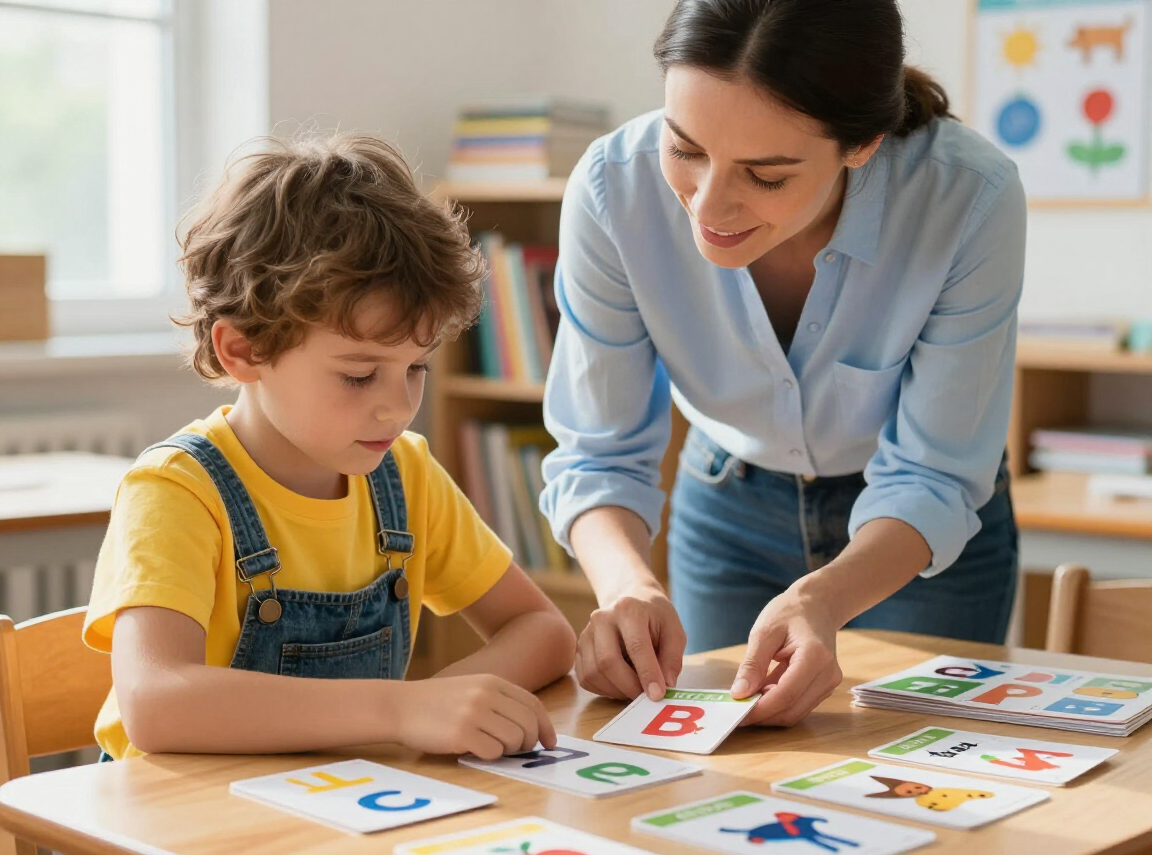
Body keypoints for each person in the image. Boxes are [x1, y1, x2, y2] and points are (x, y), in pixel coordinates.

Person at [541, 0, 1025, 727]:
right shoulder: (614, 190)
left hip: (922, 537)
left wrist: (825, 596)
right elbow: (597, 451)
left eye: (765, 176)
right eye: (685, 148)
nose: (709, 204)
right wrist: (627, 588)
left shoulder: (967, 198)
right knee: (718, 786)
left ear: (861, 144)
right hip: (728, 503)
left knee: (922, 783)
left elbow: (935, 473)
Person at [83, 133, 576, 760]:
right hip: (174, 831)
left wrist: (440, 705)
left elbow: (542, 631)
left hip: (338, 807)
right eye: (358, 374)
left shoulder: (405, 475)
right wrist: (401, 711)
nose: (397, 407)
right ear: (244, 350)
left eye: (416, 368)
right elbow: (156, 703)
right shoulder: (177, 491)